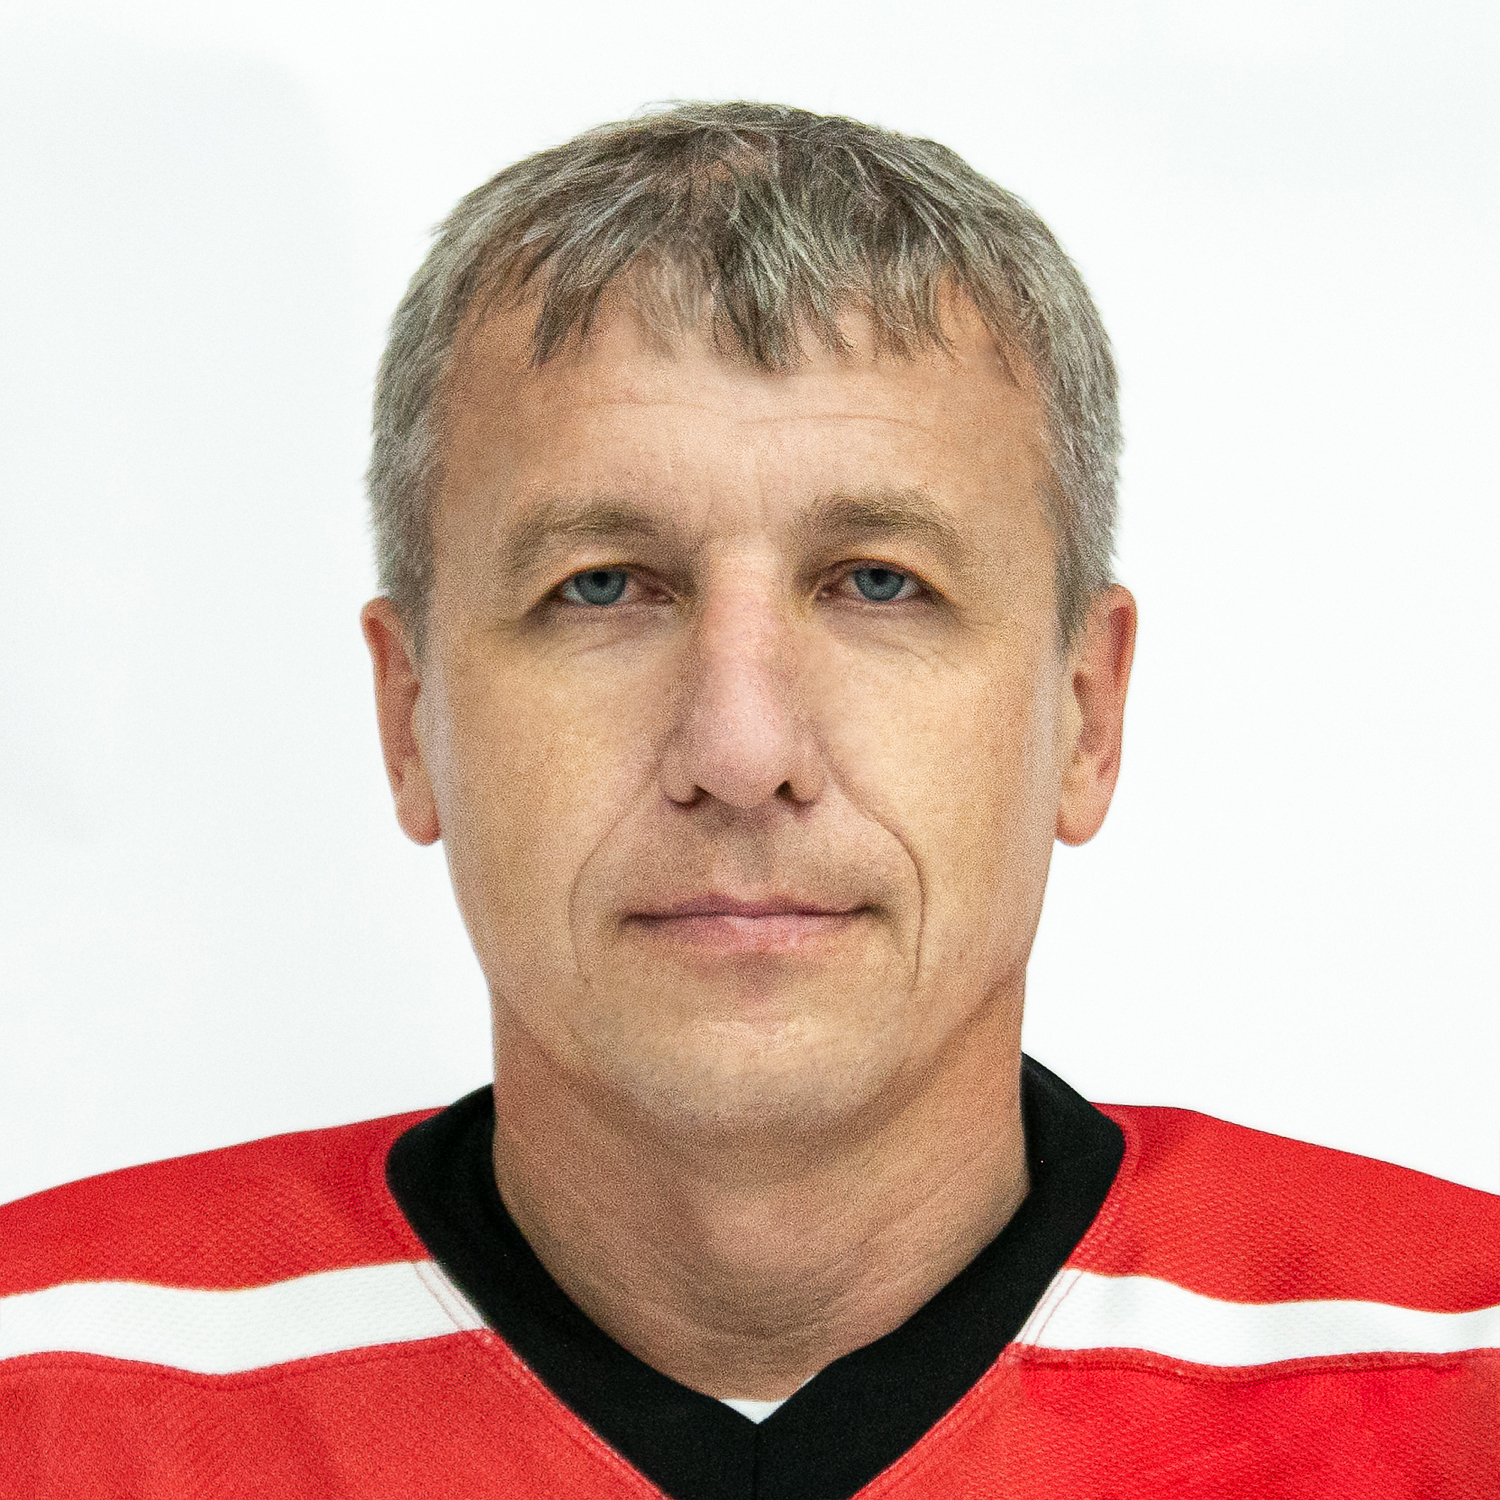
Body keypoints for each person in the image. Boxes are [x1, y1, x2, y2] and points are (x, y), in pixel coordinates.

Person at [1, 101, 1495, 1499]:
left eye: (878, 583)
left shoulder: (1456, 1388)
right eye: (602, 586)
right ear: (410, 721)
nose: (740, 747)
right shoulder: (48, 1394)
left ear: (1085, 716)